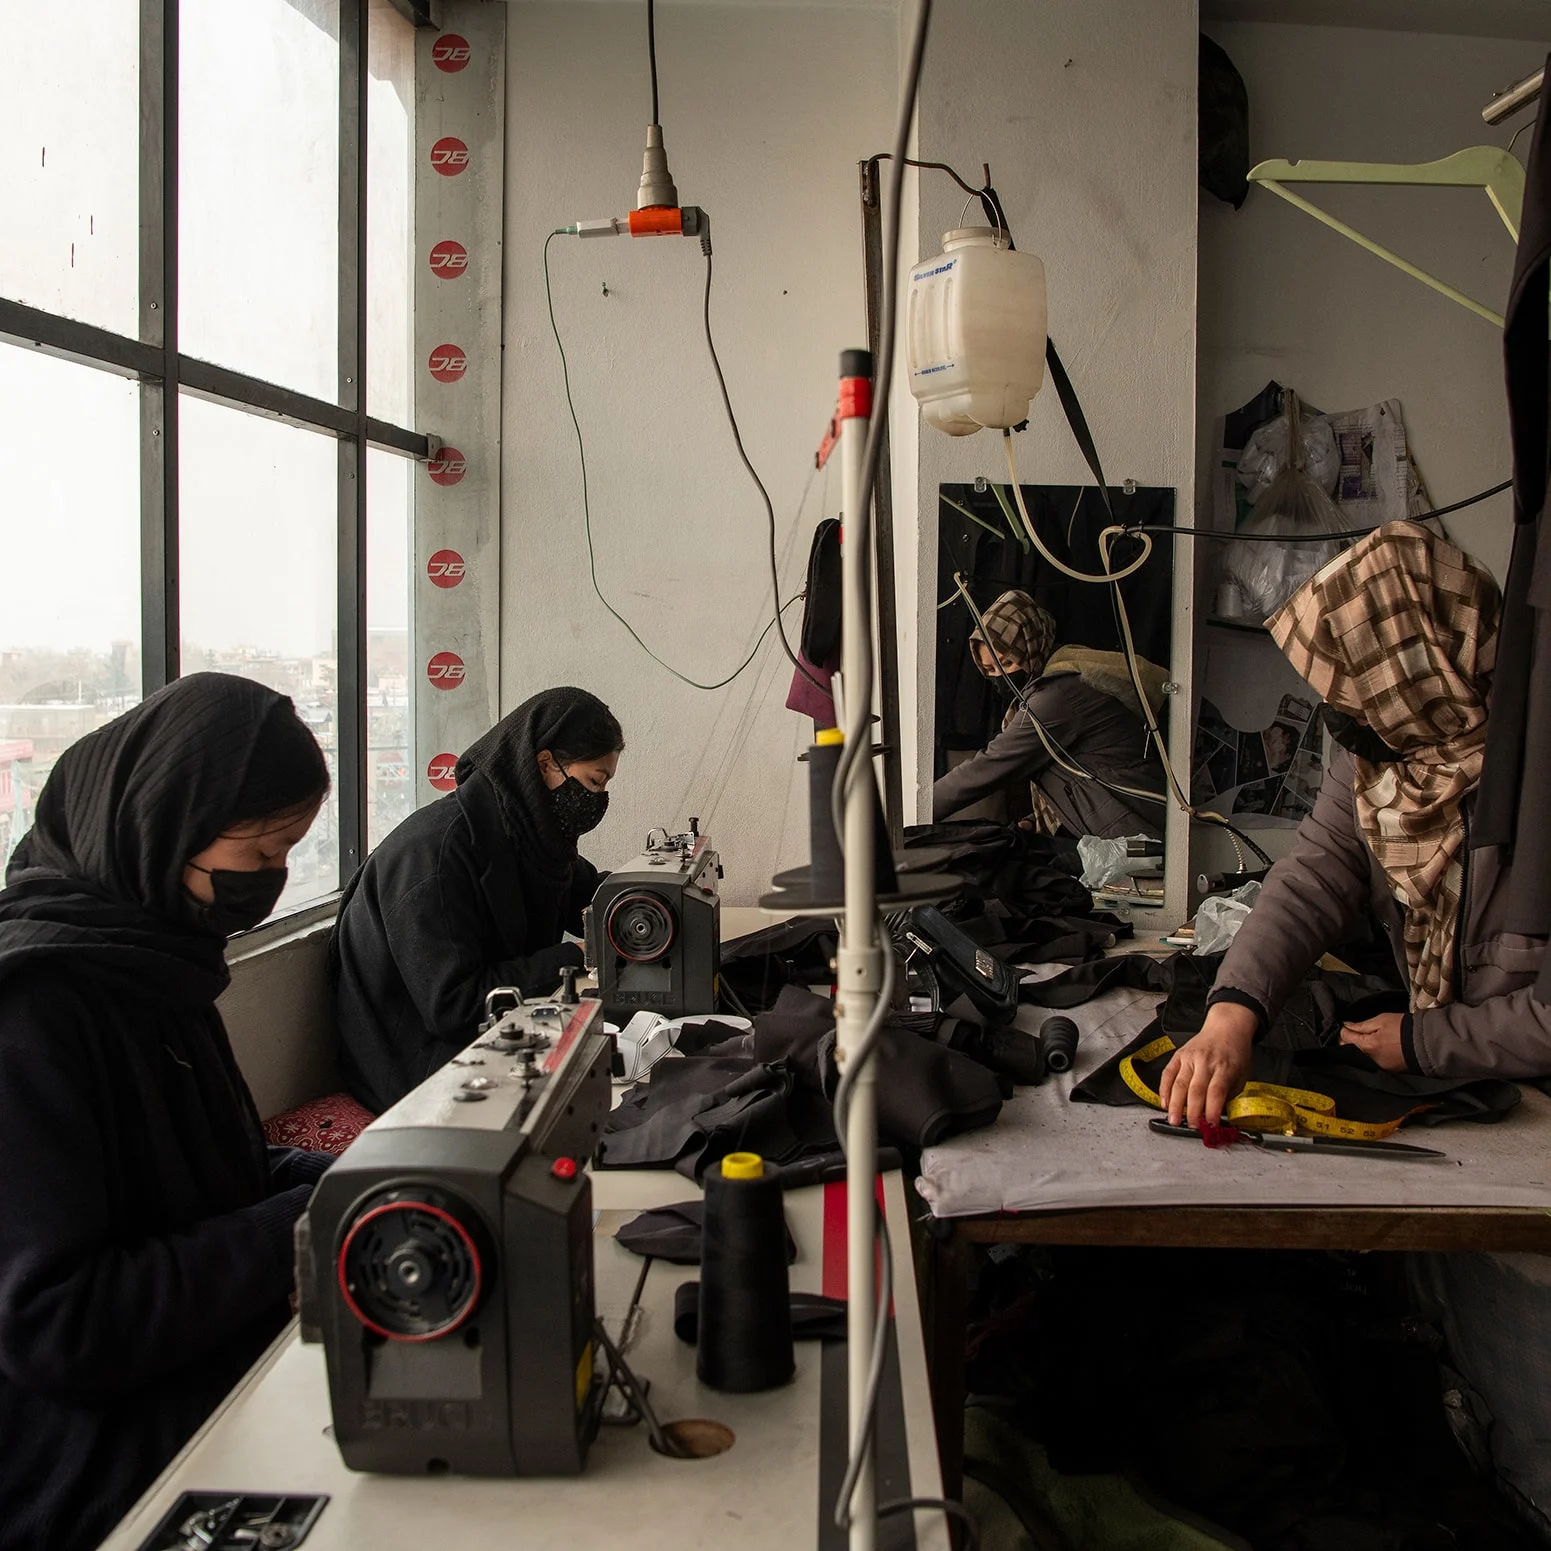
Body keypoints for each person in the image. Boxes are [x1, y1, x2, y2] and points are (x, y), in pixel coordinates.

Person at [0, 674, 333, 1551]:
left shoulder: (157, 961)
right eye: (262, 852)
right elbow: (63, 1325)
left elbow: (209, 1167)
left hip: (192, 1380)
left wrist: (354, 1174)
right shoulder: (31, 1009)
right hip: (93, 1465)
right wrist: (309, 1217)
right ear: (163, 822)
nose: (274, 879)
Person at [1162, 521, 1551, 1129]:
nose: (1339, 715)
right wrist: (1231, 1013)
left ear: (1413, 674)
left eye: (1355, 690)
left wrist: (1426, 1042)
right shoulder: (1384, 758)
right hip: (1469, 1081)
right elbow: (1312, 879)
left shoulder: (1537, 778)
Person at [333, 686, 622, 1113]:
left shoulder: (530, 837)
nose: (597, 800)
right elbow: (456, 1005)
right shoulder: (435, 853)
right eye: (594, 782)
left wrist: (645, 895)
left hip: (483, 1039)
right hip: (418, 1065)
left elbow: (586, 896)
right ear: (545, 764)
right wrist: (577, 955)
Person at [932, 588, 1166, 839]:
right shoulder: (1059, 678)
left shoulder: (1057, 696)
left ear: (1030, 646)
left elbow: (989, 766)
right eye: (989, 670)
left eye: (1007, 662)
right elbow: (1081, 777)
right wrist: (1034, 821)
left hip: (1136, 830)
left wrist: (916, 807)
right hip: (1126, 826)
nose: (1000, 677)